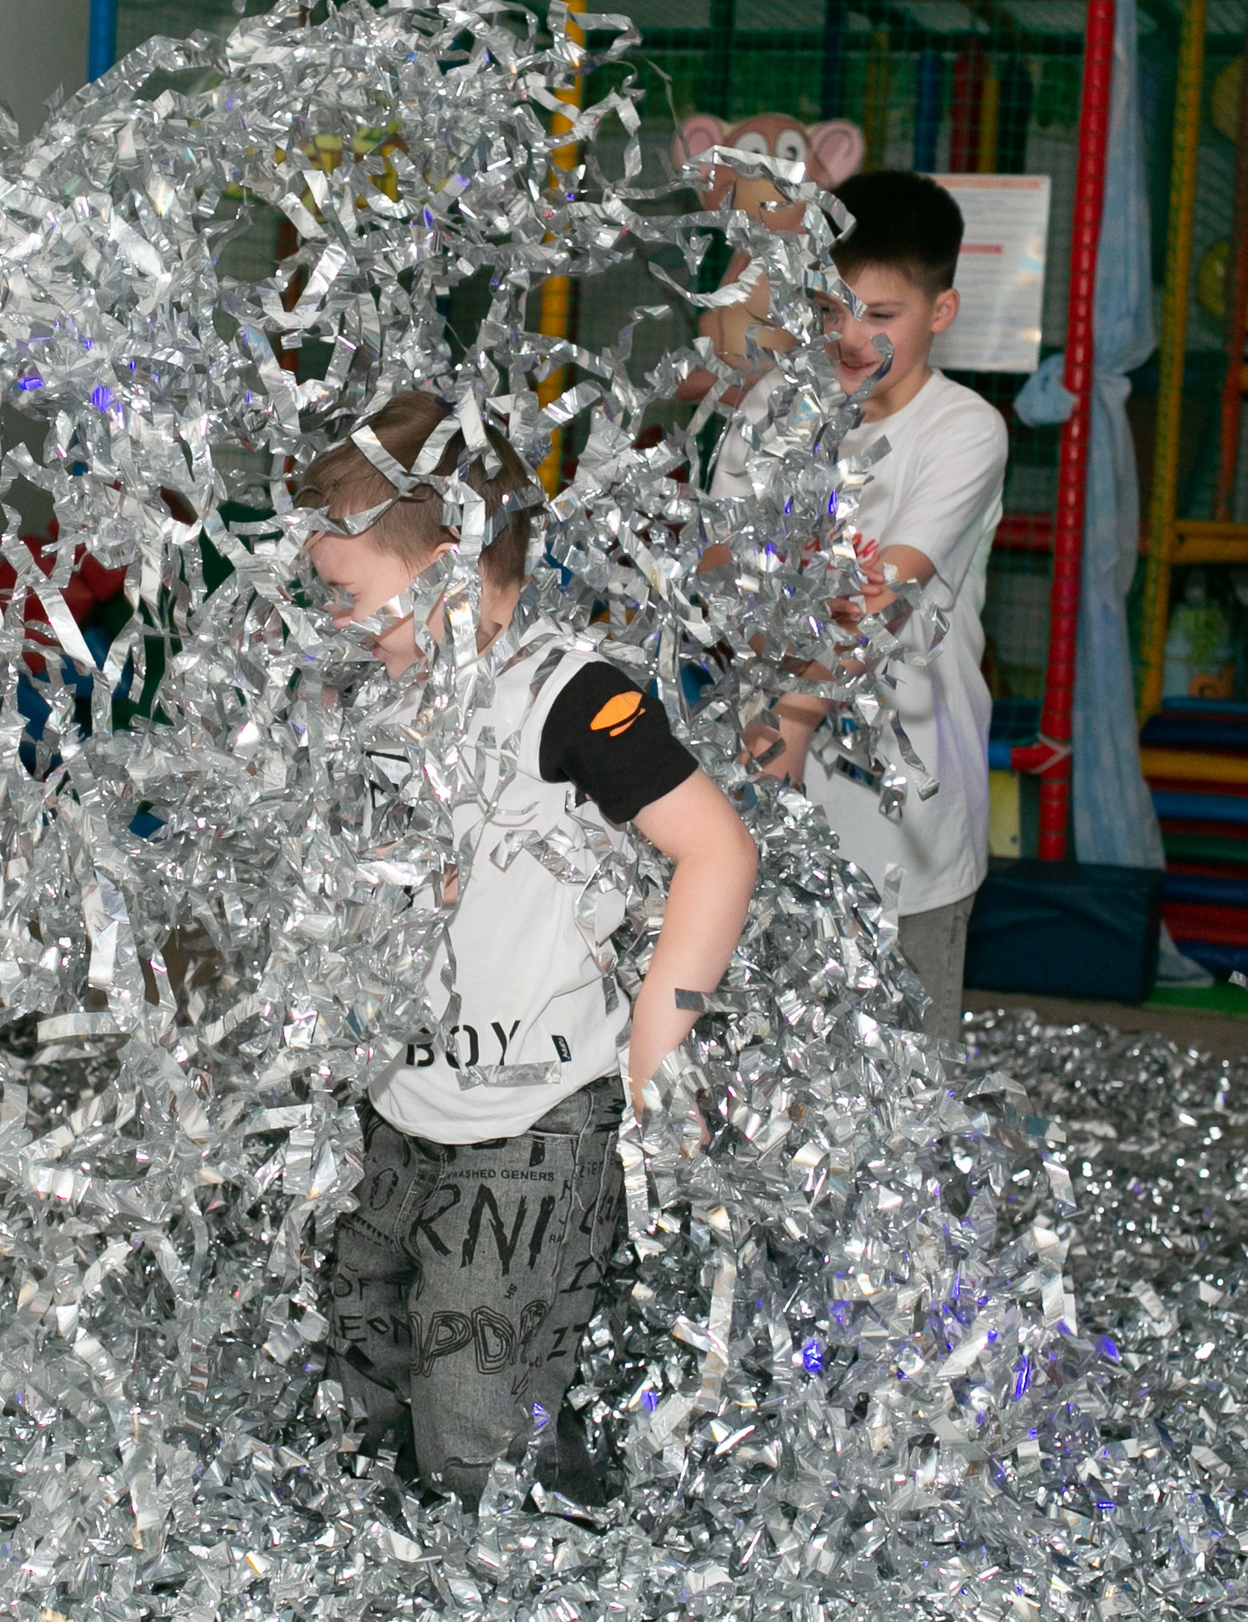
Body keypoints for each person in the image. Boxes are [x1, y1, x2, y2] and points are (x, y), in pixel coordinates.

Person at [304, 393, 759, 1507]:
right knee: (359, 1345)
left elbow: (718, 854)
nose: (330, 625)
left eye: (344, 598)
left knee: (473, 1405)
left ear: (450, 570)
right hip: (403, 1098)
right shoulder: (387, 696)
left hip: (535, 1119)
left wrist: (651, 1059)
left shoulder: (573, 699)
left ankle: (517, 1540)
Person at [708, 170, 1007, 1044]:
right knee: (763, 1063)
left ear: (939, 313)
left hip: (908, 820)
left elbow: (883, 600)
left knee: (904, 1082)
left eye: (883, 315)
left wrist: (795, 718)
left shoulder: (963, 431)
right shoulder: (773, 409)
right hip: (764, 803)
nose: (851, 336)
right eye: (834, 307)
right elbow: (722, 570)